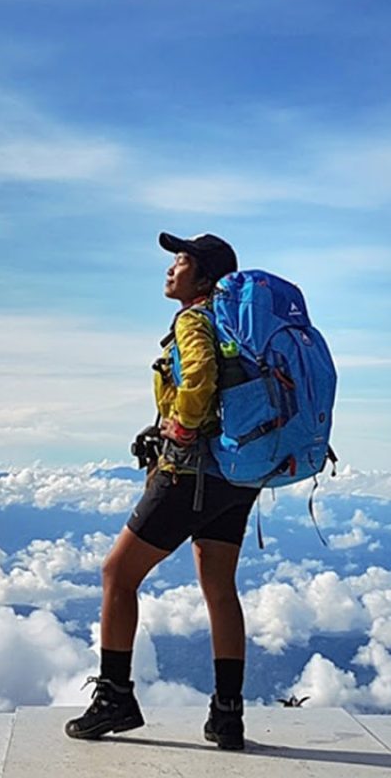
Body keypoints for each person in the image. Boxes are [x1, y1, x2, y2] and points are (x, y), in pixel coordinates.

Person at [64, 232, 261, 751]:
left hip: (191, 473)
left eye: (182, 261)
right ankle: (228, 714)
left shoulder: (195, 319)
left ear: (202, 278)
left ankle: (114, 698)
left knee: (117, 574)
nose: (171, 268)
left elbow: (197, 375)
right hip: (237, 476)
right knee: (219, 586)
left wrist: (179, 427)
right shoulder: (236, 327)